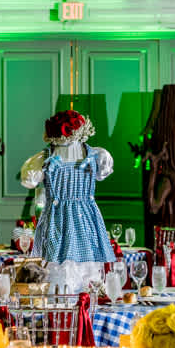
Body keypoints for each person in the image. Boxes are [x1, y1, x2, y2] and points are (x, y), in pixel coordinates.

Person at [19, 110, 116, 291]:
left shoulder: (95, 156)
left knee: (74, 267)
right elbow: (29, 180)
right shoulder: (47, 159)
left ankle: (76, 298)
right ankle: (71, 297)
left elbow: (29, 181)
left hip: (72, 219)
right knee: (62, 266)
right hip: (74, 219)